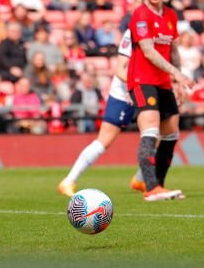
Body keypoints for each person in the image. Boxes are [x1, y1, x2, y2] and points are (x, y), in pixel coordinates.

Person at [128, 0, 194, 202]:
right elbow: (148, 50)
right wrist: (176, 73)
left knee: (171, 132)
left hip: (164, 82)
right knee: (150, 130)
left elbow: (173, 50)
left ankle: (159, 185)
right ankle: (151, 187)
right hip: (142, 81)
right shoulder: (140, 15)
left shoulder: (170, 15)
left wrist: (178, 80)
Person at [58, 29, 146, 196]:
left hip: (148, 91)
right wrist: (143, 83)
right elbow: (121, 70)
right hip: (125, 94)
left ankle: (140, 179)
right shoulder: (134, 31)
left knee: (157, 134)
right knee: (104, 140)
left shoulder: (162, 30)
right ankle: (69, 180)